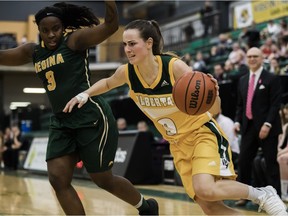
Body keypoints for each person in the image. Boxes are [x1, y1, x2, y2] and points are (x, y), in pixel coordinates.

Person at [63, 19, 287, 215]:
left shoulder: (175, 67)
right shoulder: (127, 72)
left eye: (132, 44)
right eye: (125, 44)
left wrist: (214, 93)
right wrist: (85, 94)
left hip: (201, 134)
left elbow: (215, 109)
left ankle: (263, 194)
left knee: (205, 189)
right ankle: (262, 195)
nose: (127, 49)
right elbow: (109, 82)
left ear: (149, 43)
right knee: (210, 207)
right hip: (178, 144)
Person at [0, 2, 158, 215]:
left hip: (89, 115)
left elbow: (110, 27)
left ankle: (146, 207)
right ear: (39, 31)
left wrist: (110, 3)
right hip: (61, 121)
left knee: (102, 179)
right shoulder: (33, 51)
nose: (51, 34)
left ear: (63, 27)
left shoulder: (74, 41)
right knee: (57, 178)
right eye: (45, 30)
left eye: (56, 28)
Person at [234, 47, 284, 207]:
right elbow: (240, 105)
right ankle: (244, 195)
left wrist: (267, 124)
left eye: (255, 56)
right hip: (248, 127)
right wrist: (237, 121)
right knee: (243, 162)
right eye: (249, 56)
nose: (252, 59)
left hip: (267, 128)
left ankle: (276, 197)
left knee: (270, 163)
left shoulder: (272, 78)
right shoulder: (242, 80)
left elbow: (275, 104)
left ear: (262, 58)